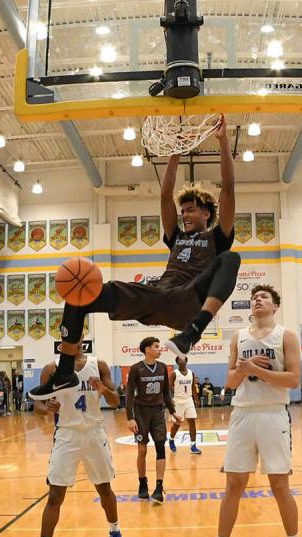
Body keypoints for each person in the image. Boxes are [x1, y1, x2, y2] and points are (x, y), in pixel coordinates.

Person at [30, 115, 239, 399]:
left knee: (230, 259)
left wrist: (224, 140)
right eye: (184, 210)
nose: (185, 214)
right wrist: (175, 151)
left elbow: (228, 188)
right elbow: (166, 197)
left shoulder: (216, 237)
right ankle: (64, 373)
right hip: (156, 296)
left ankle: (193, 332)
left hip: (190, 298)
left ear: (207, 213)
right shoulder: (176, 237)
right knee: (79, 296)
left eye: (192, 209)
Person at [200, 285, 302, 537]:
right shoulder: (238, 337)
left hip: (273, 413)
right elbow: (230, 382)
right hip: (243, 413)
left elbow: (294, 379)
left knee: (280, 485)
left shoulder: (286, 336)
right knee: (233, 484)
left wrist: (258, 371)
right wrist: (244, 369)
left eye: (265, 298)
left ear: (275, 307)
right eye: (255, 297)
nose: (258, 300)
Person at [24, 346, 127, 537]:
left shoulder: (98, 365)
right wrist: (47, 408)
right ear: (62, 341)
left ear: (82, 337)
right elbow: (38, 406)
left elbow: (115, 401)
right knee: (54, 494)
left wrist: (103, 389)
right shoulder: (52, 368)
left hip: (93, 431)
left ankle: (115, 533)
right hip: (67, 434)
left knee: (104, 488)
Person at [125, 337, 177, 504]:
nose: (159, 349)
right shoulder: (135, 369)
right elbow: (129, 396)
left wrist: (173, 411)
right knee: (142, 451)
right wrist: (130, 418)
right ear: (147, 349)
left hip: (158, 412)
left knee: (161, 447)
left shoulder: (163, 368)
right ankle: (142, 483)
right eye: (156, 346)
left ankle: (159, 488)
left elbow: (166, 393)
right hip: (141, 413)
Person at [168, 356, 202, 455]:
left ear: (186, 361)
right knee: (177, 424)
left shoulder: (191, 373)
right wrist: (170, 400)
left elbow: (193, 388)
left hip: (188, 400)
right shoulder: (174, 374)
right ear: (177, 362)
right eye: (179, 359)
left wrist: (196, 399)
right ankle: (171, 439)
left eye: (183, 359)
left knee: (192, 422)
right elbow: (169, 387)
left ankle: (193, 446)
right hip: (178, 401)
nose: (181, 360)